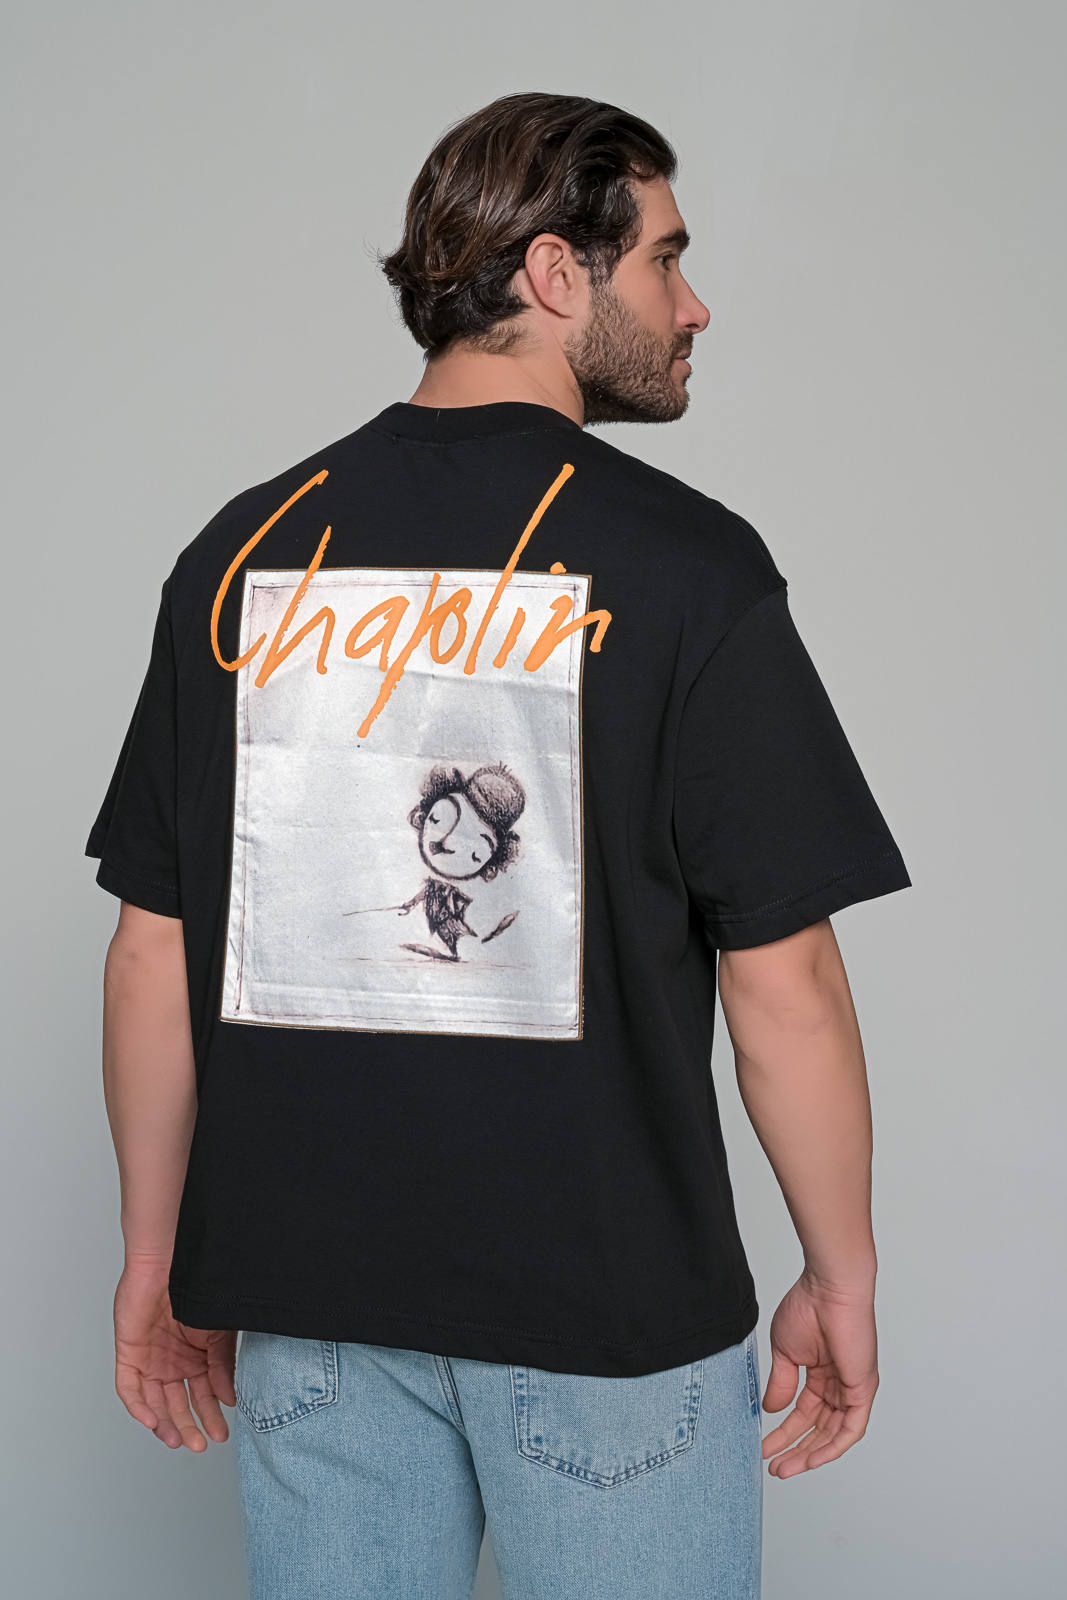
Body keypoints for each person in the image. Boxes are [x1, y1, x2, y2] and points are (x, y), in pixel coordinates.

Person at [89, 92, 910, 1600]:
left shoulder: (242, 553)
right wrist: (842, 1274)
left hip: (312, 1319)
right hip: (609, 1316)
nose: (694, 305)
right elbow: (783, 981)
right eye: (665, 258)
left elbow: (154, 948)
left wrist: (156, 1260)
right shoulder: (689, 566)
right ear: (552, 272)